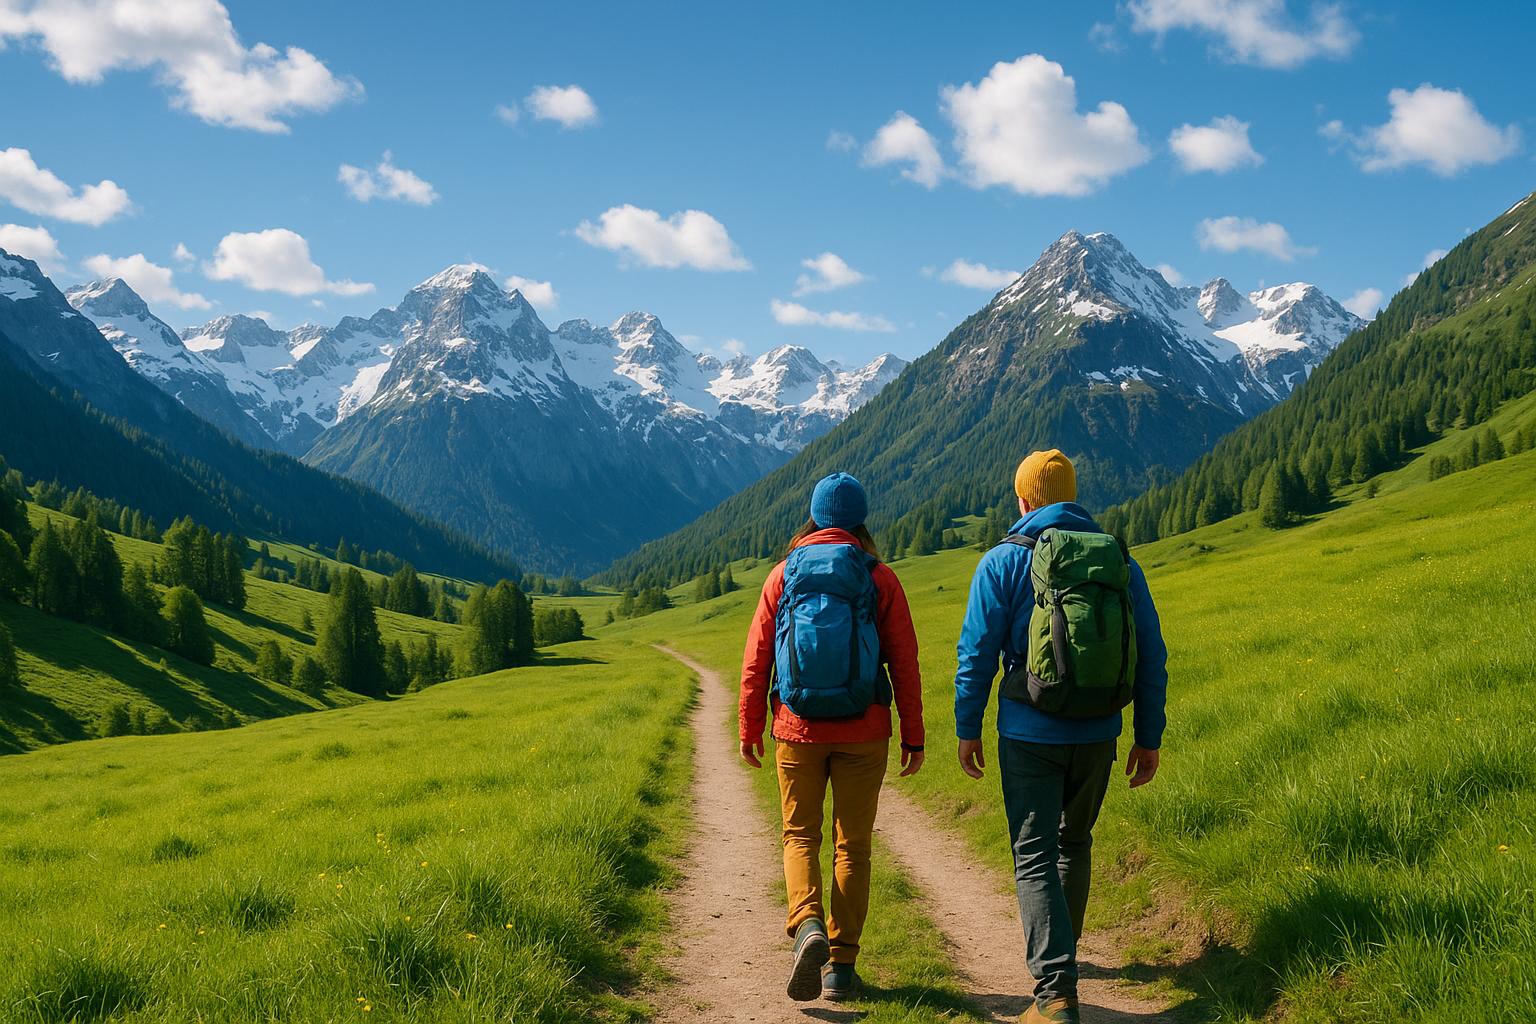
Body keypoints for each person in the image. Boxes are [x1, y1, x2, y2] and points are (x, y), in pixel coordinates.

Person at [954, 450, 1168, 1024]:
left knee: (1033, 855)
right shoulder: (1119, 562)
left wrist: (967, 727)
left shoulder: (1003, 561)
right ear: (1072, 495)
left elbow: (975, 654)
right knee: (1074, 844)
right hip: (1099, 732)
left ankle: (1054, 995)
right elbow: (1150, 654)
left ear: (1023, 500)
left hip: (1028, 733)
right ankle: (1064, 963)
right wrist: (1148, 737)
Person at [739, 472, 925, 1003]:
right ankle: (840, 969)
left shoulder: (783, 574)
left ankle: (807, 925)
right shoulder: (879, 577)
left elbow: (757, 657)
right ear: (861, 520)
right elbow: (904, 661)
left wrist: (750, 726)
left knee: (800, 835)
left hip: (796, 727)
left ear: (815, 517)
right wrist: (913, 735)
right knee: (853, 844)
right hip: (864, 729)